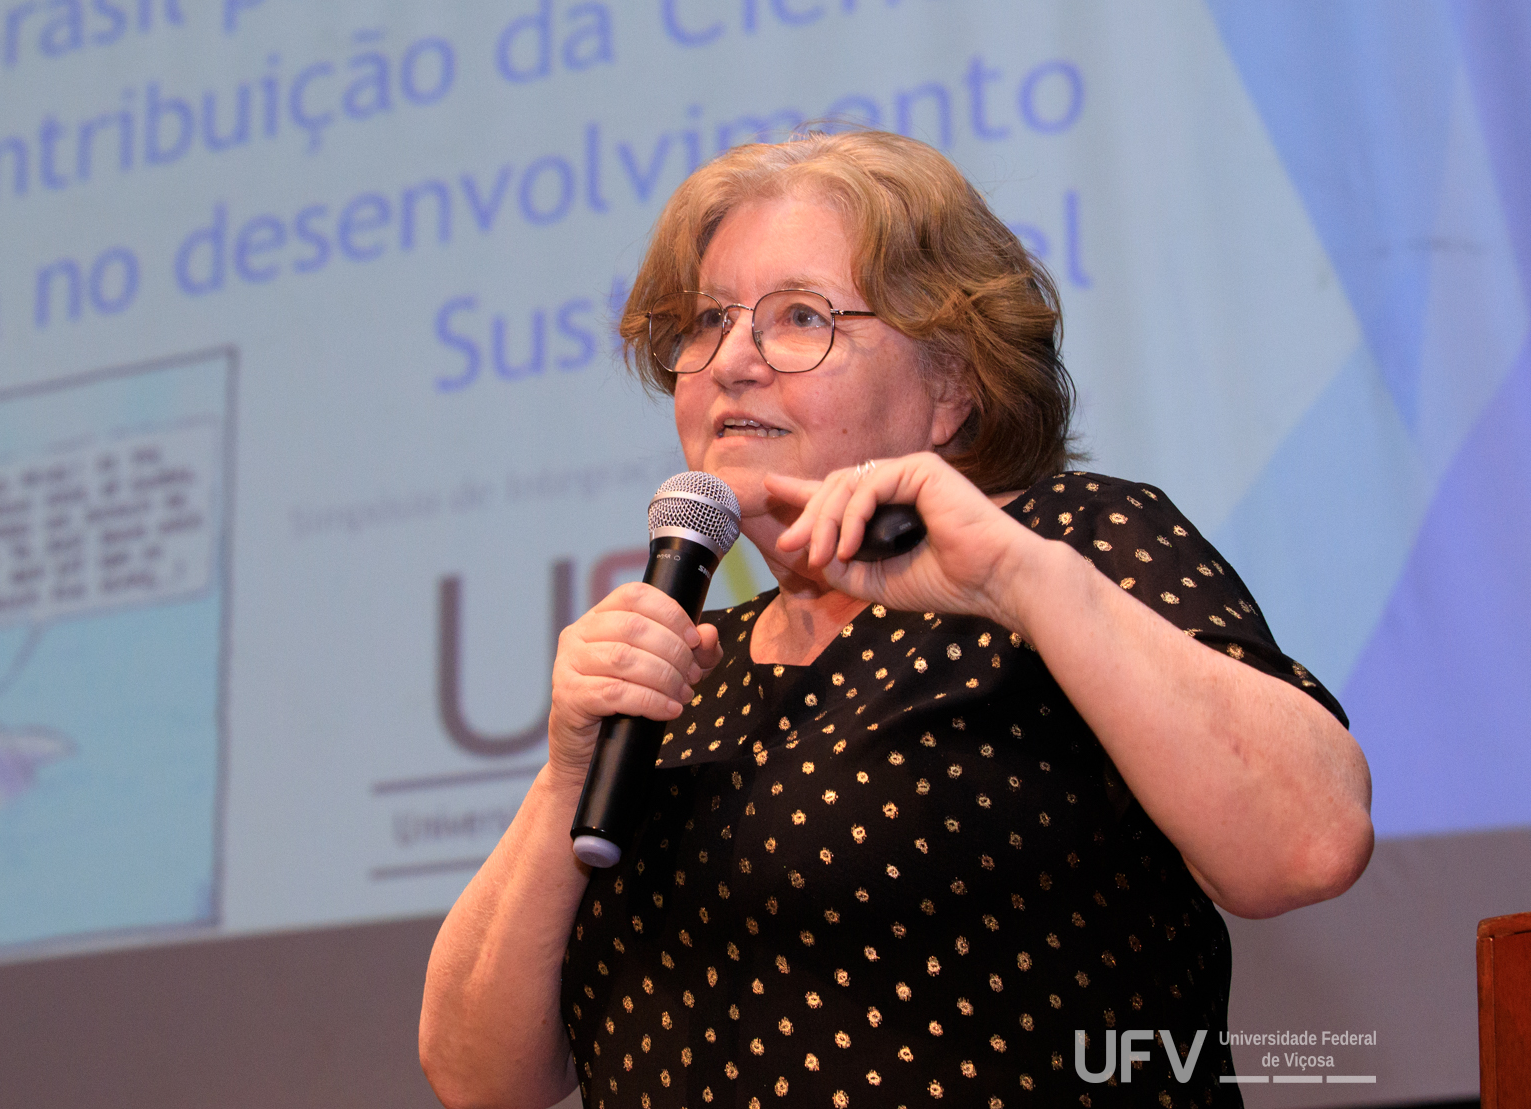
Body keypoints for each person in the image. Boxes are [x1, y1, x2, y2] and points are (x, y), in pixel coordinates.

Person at [418, 130, 1372, 1109]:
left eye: (797, 317)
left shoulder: (1064, 550)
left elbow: (1306, 843)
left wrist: (1019, 580)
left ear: (950, 388)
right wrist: (563, 776)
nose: (730, 360)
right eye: (707, 319)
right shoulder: (682, 675)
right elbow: (477, 1080)